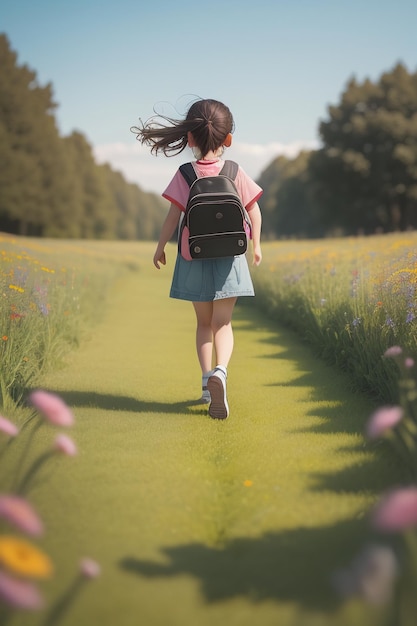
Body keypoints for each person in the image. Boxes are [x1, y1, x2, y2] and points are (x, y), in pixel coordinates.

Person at [132, 98, 262, 419]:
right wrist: (256, 245)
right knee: (223, 323)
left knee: (204, 323)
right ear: (227, 139)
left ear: (189, 137)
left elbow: (172, 218)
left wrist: (160, 247)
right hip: (231, 258)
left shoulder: (185, 173)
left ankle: (207, 382)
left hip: (193, 257)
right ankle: (221, 371)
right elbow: (254, 211)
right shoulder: (234, 171)